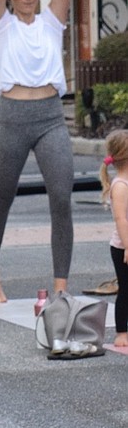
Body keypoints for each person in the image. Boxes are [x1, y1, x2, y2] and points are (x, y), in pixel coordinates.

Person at [0, 0, 89, 303]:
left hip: (49, 118)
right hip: (10, 118)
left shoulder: (51, 23)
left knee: (61, 197)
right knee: (1, 199)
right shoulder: (1, 26)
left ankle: (61, 285)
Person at [99, 130, 128, 350]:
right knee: (125, 288)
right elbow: (121, 219)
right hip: (123, 247)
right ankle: (121, 332)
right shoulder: (120, 186)